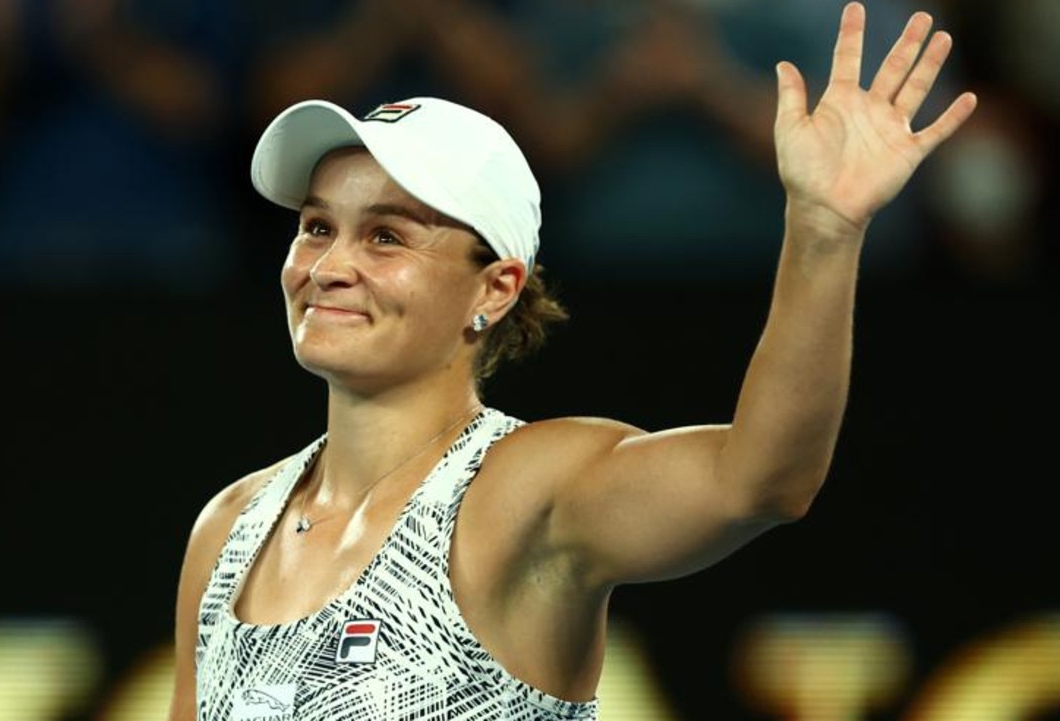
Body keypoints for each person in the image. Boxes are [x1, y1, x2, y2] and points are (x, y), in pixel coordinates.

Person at [167, 3, 978, 719]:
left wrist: (824, 227)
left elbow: (763, 477)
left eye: (386, 236)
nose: (331, 265)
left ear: (496, 288)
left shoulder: (527, 490)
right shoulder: (229, 526)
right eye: (316, 226)